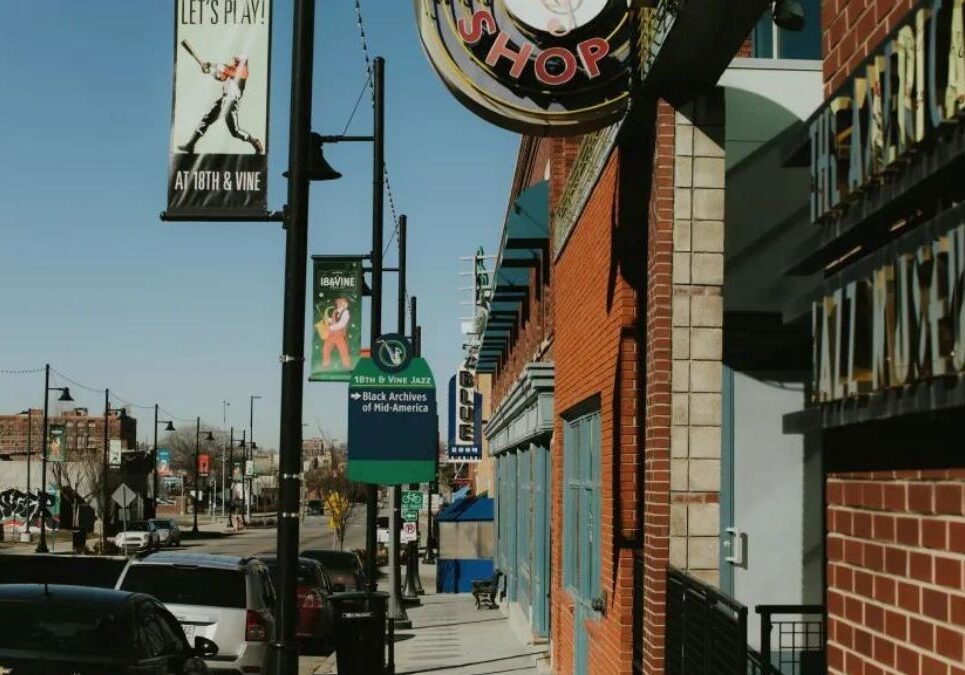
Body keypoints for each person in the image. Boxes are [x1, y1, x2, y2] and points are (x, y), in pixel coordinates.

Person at [178, 55, 264, 155]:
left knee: (235, 131)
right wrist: (209, 71)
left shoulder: (243, 71)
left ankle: (254, 142)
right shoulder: (233, 70)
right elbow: (221, 76)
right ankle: (190, 145)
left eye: (237, 61)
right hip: (223, 99)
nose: (235, 62)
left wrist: (211, 64)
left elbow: (226, 70)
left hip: (232, 102)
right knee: (206, 120)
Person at [322, 297, 352, 369]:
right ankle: (326, 364)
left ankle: (347, 365)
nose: (338, 304)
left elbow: (341, 324)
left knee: (343, 350)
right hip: (331, 334)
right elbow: (333, 321)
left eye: (340, 303)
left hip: (339, 335)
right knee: (325, 349)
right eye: (338, 303)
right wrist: (327, 319)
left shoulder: (346, 313)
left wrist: (330, 328)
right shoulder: (335, 312)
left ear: (344, 304)